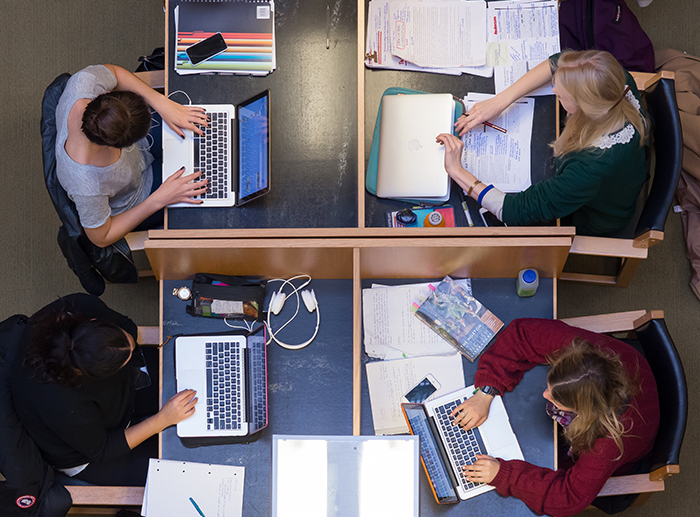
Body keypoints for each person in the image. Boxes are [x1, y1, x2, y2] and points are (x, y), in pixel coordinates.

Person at [450, 318, 660, 516]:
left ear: (583, 412)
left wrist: (504, 475)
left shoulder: (606, 445)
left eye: (556, 399)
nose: (545, 395)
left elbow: (569, 498)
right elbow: (522, 333)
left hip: (628, 447)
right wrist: (487, 389)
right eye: (551, 386)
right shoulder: (583, 358)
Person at [436, 50, 648, 236]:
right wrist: (500, 101)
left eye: (562, 94)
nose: (555, 90)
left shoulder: (590, 168)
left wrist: (456, 170)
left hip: (595, 215)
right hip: (608, 180)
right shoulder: (615, 80)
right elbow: (557, 63)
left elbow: (513, 210)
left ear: (584, 108)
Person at [10, 294, 197, 486]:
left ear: (94, 321)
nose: (131, 349)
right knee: (187, 469)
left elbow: (126, 324)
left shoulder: (79, 306)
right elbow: (103, 449)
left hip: (115, 400)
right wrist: (161, 420)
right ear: (96, 376)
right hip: (91, 452)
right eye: (126, 357)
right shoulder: (62, 402)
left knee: (197, 380)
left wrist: (128, 338)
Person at [56, 64, 210, 248]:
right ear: (119, 146)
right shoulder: (88, 186)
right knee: (210, 186)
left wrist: (161, 102)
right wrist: (159, 199)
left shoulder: (83, 83)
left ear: (105, 95)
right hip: (139, 194)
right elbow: (101, 237)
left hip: (137, 152)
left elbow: (115, 73)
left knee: (206, 130)